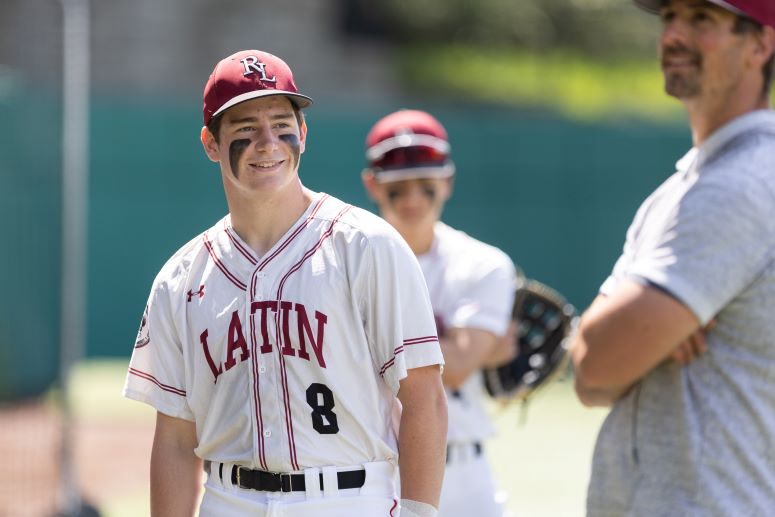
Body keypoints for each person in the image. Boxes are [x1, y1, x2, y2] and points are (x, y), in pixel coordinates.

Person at [123, 50, 448, 517]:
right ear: (211, 143)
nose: (268, 143)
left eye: (281, 124)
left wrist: (419, 513)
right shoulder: (181, 277)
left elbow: (423, 396)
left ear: (303, 134)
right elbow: (175, 439)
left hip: (347, 497)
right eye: (245, 130)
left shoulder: (365, 245)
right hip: (228, 499)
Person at [571, 1, 775, 514]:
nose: (674, 35)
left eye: (702, 18)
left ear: (761, 44)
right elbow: (588, 373)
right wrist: (642, 335)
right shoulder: (680, 190)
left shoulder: (739, 185)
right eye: (669, 17)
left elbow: (597, 361)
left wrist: (629, 336)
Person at [361, 109, 518, 517]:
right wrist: (477, 346)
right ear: (373, 185)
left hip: (464, 472)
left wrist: (371, 347)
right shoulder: (349, 262)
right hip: (375, 472)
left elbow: (461, 366)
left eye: (425, 184)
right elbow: (459, 355)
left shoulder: (482, 263)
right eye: (399, 186)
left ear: (447, 181)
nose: (412, 197)